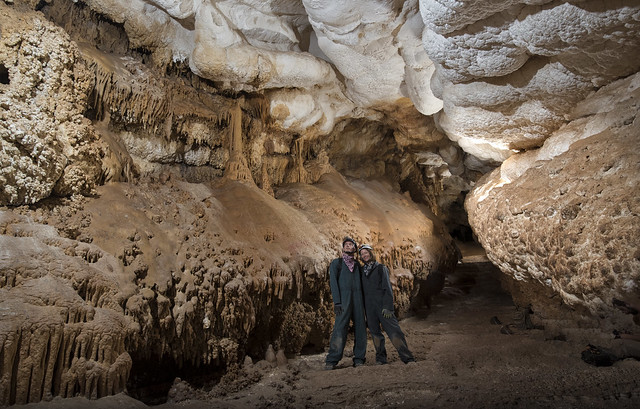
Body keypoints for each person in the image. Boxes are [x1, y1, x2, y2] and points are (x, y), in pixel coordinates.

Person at [358, 244, 415, 365]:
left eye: (366, 252)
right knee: (375, 333)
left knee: (394, 331)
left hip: (382, 306)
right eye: (362, 254)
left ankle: (407, 357)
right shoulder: (362, 271)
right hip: (369, 308)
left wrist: (388, 307)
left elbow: (387, 289)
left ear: (371, 253)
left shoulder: (380, 268)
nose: (364, 255)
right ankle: (381, 359)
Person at [324, 237, 367, 369]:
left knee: (360, 328)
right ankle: (332, 359)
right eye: (346, 245)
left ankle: (359, 358)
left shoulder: (358, 265)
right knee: (339, 328)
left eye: (351, 245)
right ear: (343, 248)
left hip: (358, 299)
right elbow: (333, 283)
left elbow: (364, 284)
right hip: (344, 299)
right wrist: (337, 301)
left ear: (355, 248)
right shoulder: (336, 263)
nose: (348, 246)